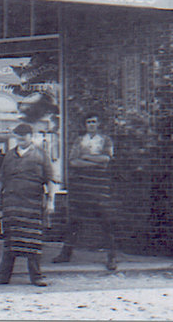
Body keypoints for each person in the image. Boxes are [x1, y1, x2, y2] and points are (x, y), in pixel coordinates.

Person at [0, 122, 55, 287]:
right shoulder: (10, 155)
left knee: (33, 240)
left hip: (32, 204)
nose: (20, 140)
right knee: (10, 240)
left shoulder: (41, 155)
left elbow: (50, 181)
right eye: (17, 137)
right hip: (12, 203)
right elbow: (1, 179)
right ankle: (3, 276)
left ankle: (36, 276)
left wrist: (51, 202)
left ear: (31, 137)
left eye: (24, 136)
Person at [52, 111, 118, 270]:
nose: (91, 125)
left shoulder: (106, 140)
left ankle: (112, 256)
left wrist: (86, 157)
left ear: (99, 124)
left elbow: (106, 159)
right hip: (81, 185)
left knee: (106, 220)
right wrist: (95, 160)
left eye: (94, 122)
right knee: (74, 219)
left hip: (100, 185)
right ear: (85, 125)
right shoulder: (79, 140)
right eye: (89, 122)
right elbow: (73, 161)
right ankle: (65, 253)